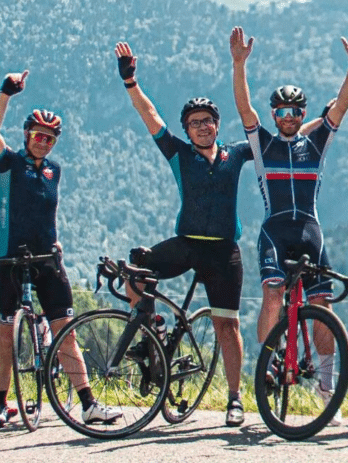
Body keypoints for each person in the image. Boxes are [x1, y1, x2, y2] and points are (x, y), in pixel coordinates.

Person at [230, 25, 348, 426]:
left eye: (294, 112)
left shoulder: (316, 143)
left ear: (303, 115)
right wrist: (239, 65)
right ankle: (269, 364)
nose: (288, 117)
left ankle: (326, 387)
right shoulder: (263, 145)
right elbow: (244, 109)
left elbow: (341, 106)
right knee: (273, 292)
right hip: (275, 231)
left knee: (322, 305)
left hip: (310, 231)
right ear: (275, 116)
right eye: (281, 112)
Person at [115, 42, 249, 427]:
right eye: (194, 122)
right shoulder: (179, 154)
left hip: (224, 251)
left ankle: (235, 399)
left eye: (207, 120)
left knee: (227, 325)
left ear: (217, 125)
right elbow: (150, 115)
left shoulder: (238, 153)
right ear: (187, 130)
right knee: (136, 271)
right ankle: (153, 330)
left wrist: (321, 124)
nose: (202, 126)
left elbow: (276, 142)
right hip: (187, 245)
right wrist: (130, 81)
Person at [0, 71, 121, 427]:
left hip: (47, 259)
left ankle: (88, 404)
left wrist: (56, 242)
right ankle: (0, 405)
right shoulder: (8, 163)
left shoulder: (53, 171)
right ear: (27, 135)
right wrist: (5, 93)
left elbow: (46, 212)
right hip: (11, 258)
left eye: (51, 139)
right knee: (5, 330)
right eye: (39, 136)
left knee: (65, 330)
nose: (44, 143)